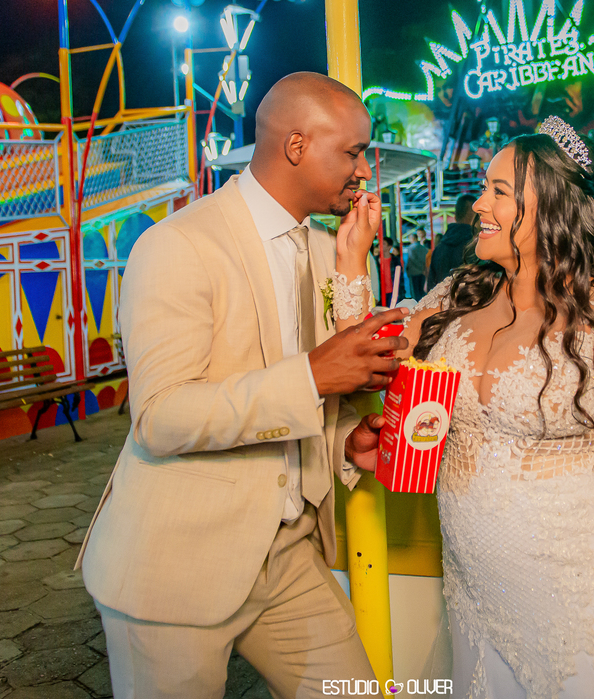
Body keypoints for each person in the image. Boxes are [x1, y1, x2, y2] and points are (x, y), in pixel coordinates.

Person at [77, 72, 409, 698]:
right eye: (352, 152)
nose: (363, 170)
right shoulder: (177, 245)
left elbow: (306, 393)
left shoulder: (317, 250)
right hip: (177, 562)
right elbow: (162, 416)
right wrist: (314, 373)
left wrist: (341, 443)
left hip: (286, 554)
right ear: (295, 145)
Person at [336, 116, 594, 699]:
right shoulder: (458, 295)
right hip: (475, 595)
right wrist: (353, 261)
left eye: (499, 191)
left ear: (551, 207)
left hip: (583, 595)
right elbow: (367, 357)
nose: (478, 205)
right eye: (485, 188)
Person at [426, 193, 477, 289]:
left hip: (442, 302)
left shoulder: (439, 248)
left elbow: (431, 285)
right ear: (473, 214)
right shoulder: (475, 246)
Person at [405, 232, 429, 299]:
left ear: (412, 238)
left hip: (414, 272)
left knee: (415, 292)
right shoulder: (423, 248)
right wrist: (423, 269)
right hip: (423, 272)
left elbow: (412, 259)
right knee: (421, 291)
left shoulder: (411, 248)